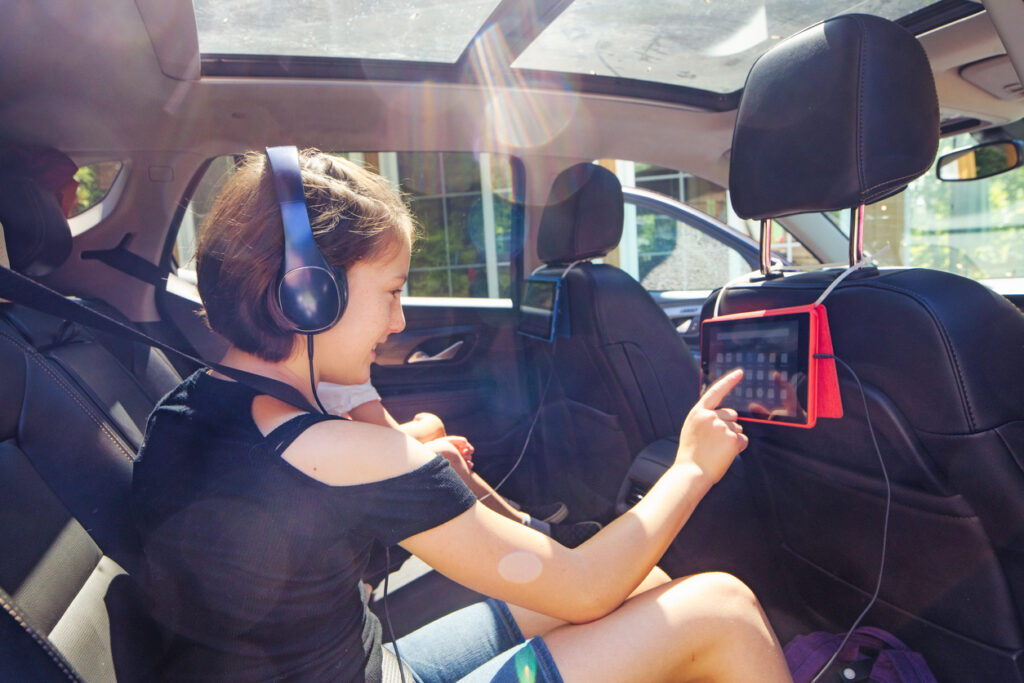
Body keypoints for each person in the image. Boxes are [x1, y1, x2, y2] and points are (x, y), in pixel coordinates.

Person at [131, 149, 792, 682]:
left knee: (641, 581)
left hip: (367, 664)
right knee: (722, 609)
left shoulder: (183, 410)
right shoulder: (337, 451)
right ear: (309, 298)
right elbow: (584, 587)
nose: (398, 321)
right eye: (390, 293)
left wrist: (398, 438)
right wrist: (692, 466)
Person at [317, 380, 601, 546]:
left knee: (442, 447)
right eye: (391, 293)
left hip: (343, 472)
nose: (398, 323)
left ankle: (518, 518)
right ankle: (529, 529)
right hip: (346, 487)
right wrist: (433, 427)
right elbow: (391, 440)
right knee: (446, 453)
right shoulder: (343, 377)